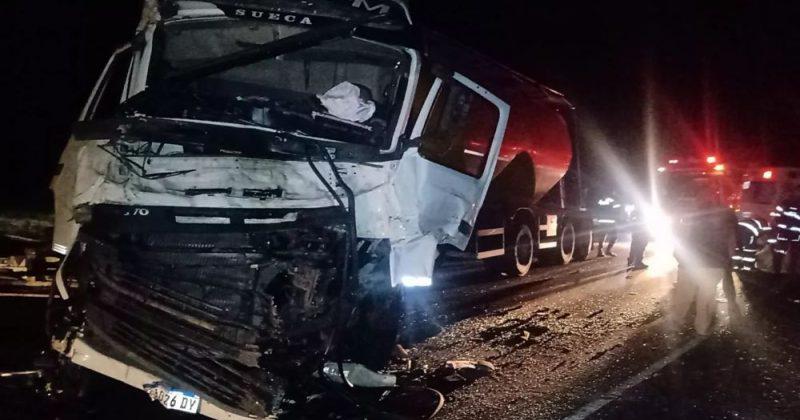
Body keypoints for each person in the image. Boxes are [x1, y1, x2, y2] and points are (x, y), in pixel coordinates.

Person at [668, 179, 738, 335]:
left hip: (695, 263)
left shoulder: (691, 214)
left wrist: (679, 254)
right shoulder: (725, 214)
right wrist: (728, 258)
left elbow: (678, 235)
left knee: (686, 295)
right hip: (711, 263)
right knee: (704, 296)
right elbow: (731, 238)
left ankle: (678, 323)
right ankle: (701, 328)